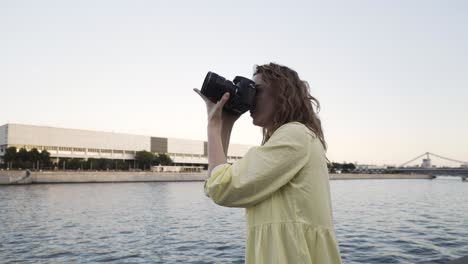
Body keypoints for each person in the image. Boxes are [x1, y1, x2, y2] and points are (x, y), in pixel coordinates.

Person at [194, 63, 342, 264]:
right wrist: (226, 122)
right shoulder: (296, 138)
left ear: (282, 94)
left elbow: (221, 187)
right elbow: (216, 182)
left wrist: (213, 124)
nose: (251, 98)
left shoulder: (295, 135)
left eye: (258, 90)